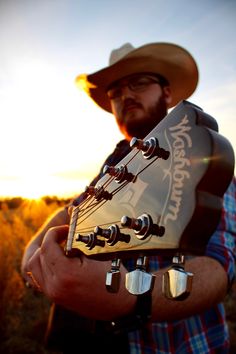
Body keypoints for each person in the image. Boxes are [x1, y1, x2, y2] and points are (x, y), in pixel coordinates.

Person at [21, 42, 236, 353]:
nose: (125, 95)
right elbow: (73, 213)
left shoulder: (201, 157)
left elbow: (218, 267)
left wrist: (129, 295)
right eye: (116, 91)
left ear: (166, 92)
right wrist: (33, 254)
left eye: (138, 82)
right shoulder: (113, 167)